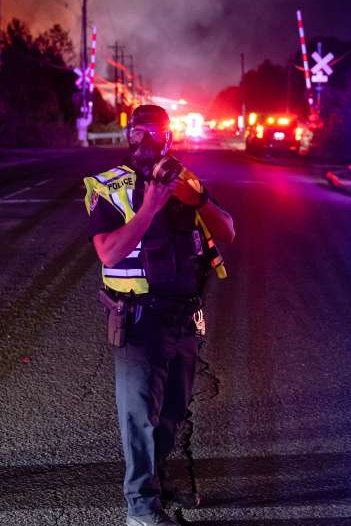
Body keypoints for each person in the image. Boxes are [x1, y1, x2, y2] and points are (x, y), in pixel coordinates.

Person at [86, 105, 236, 526]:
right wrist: (150, 206)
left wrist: (200, 200)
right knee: (139, 417)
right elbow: (108, 251)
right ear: (128, 137)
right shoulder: (110, 187)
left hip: (184, 317)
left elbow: (227, 230)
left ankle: (159, 480)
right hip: (138, 318)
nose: (147, 142)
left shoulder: (187, 181)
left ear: (170, 136)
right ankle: (140, 508)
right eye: (138, 133)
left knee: (172, 410)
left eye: (156, 132)